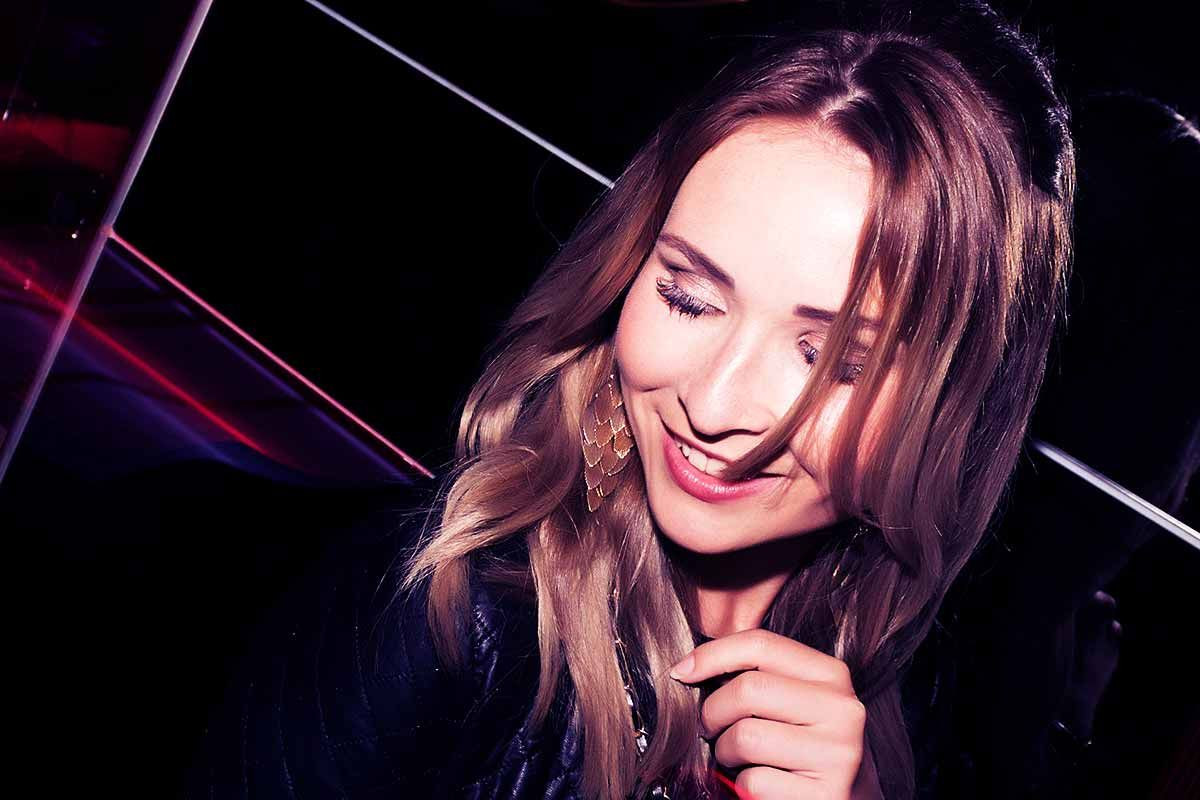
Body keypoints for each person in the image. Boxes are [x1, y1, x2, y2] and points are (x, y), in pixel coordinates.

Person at [181, 2, 1074, 798]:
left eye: (831, 360)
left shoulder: (908, 694)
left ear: (949, 404)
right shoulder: (448, 617)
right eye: (688, 297)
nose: (712, 404)